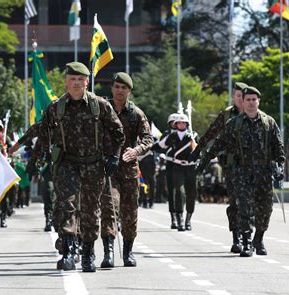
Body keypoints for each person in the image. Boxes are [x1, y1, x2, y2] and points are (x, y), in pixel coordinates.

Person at [37, 62, 125, 272]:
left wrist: (114, 157)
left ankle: (88, 253)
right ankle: (68, 252)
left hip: (94, 165)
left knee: (90, 210)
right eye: (72, 79)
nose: (76, 83)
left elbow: (118, 133)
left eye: (80, 79)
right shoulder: (55, 107)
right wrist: (39, 159)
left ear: (87, 82)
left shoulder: (100, 105)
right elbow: (43, 134)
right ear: (66, 83)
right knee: (67, 206)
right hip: (67, 163)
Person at [197, 86, 285, 257]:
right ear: (242, 102)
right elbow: (217, 144)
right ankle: (247, 243)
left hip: (264, 172)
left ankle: (259, 239)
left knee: (265, 208)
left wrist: (280, 167)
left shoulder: (269, 123)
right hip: (242, 172)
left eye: (254, 99)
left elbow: (278, 148)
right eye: (248, 100)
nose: (251, 102)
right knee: (244, 207)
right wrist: (203, 162)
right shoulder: (234, 123)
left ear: (258, 101)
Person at [99, 72, 153, 268]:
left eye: (124, 88)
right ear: (112, 89)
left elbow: (148, 139)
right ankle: (109, 252)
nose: (120, 91)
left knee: (130, 212)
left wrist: (136, 150)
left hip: (129, 170)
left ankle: (128, 251)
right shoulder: (103, 110)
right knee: (109, 207)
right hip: (108, 168)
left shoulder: (136, 113)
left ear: (129, 91)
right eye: (117, 87)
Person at [189, 82, 247, 253]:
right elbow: (210, 133)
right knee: (235, 202)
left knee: (250, 202)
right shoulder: (227, 115)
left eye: (243, 96)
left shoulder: (257, 115)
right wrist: (198, 150)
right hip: (231, 166)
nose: (241, 100)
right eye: (238, 96)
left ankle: (250, 238)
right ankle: (237, 237)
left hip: (253, 167)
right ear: (234, 97)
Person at [153, 114, 198, 231]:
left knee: (191, 194)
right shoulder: (171, 136)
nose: (181, 124)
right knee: (179, 192)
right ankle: (179, 219)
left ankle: (188, 220)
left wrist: (195, 145)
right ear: (175, 124)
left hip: (191, 168)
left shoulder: (193, 136)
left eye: (183, 123)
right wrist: (145, 148)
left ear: (187, 124)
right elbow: (159, 145)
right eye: (178, 123)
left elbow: (200, 151)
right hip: (176, 167)